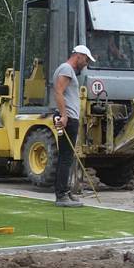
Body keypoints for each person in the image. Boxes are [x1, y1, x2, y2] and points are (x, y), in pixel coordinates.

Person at [52, 44, 95, 207]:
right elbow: (58, 91)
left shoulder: (66, 70)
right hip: (67, 118)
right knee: (66, 157)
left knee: (66, 157)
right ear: (79, 56)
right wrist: (64, 116)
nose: (86, 63)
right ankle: (62, 194)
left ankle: (65, 191)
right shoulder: (66, 69)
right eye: (86, 60)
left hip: (67, 117)